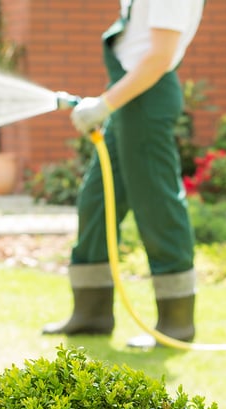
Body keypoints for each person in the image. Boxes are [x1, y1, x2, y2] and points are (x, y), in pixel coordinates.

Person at [43, 0, 205, 348]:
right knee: (96, 202)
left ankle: (176, 323)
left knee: (157, 206)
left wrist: (106, 104)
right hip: (131, 98)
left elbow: (159, 57)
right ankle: (92, 313)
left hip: (146, 98)